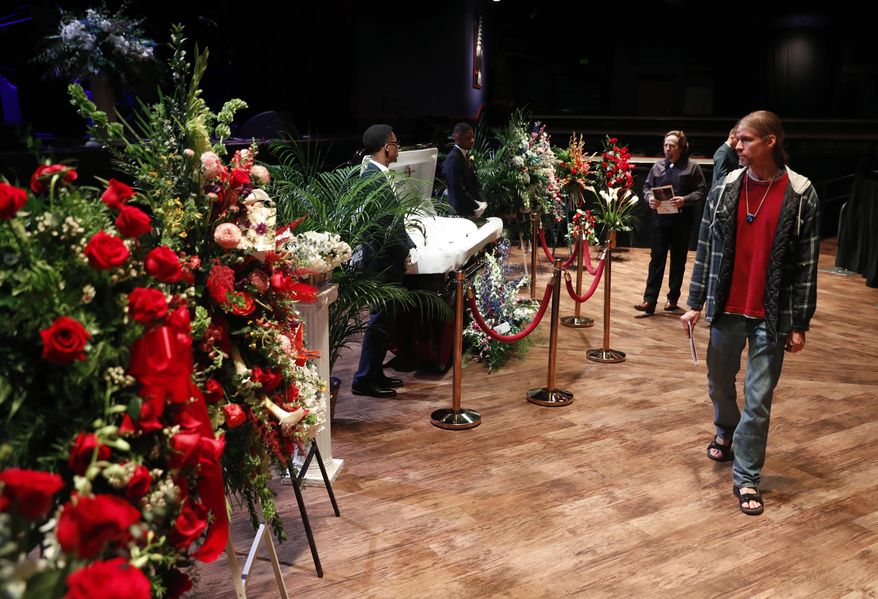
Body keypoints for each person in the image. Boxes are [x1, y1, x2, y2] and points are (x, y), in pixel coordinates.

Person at [680, 110, 819, 516]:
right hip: (726, 309)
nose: (736, 146)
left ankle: (747, 476)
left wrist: (800, 323)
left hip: (771, 315)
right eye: (737, 140)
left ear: (770, 141)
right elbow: (705, 250)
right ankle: (725, 428)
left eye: (744, 140)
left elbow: (807, 266)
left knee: (759, 399)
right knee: (719, 381)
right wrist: (694, 302)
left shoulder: (800, 192)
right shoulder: (725, 188)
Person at [351, 124, 416, 398]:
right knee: (380, 322)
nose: (397, 148)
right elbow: (385, 225)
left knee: (385, 322)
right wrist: (406, 251)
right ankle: (364, 379)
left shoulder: (377, 174)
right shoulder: (373, 178)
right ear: (386, 147)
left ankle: (375, 373)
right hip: (380, 261)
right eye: (396, 143)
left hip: (384, 259)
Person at [634, 130, 707, 315]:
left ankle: (672, 298)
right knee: (656, 259)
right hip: (660, 220)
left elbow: (701, 191)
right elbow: (646, 187)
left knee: (678, 260)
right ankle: (649, 300)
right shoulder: (658, 166)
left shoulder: (692, 167)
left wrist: (685, 199)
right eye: (665, 145)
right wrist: (649, 197)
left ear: (681, 147)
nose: (667, 149)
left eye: (672, 146)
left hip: (681, 220)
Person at [443, 122, 487, 219]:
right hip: (460, 213)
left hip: (471, 210)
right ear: (458, 138)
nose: (472, 140)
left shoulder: (465, 155)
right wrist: (476, 206)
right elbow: (459, 190)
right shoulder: (453, 159)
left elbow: (475, 181)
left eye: (472, 137)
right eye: (468, 137)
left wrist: (482, 202)